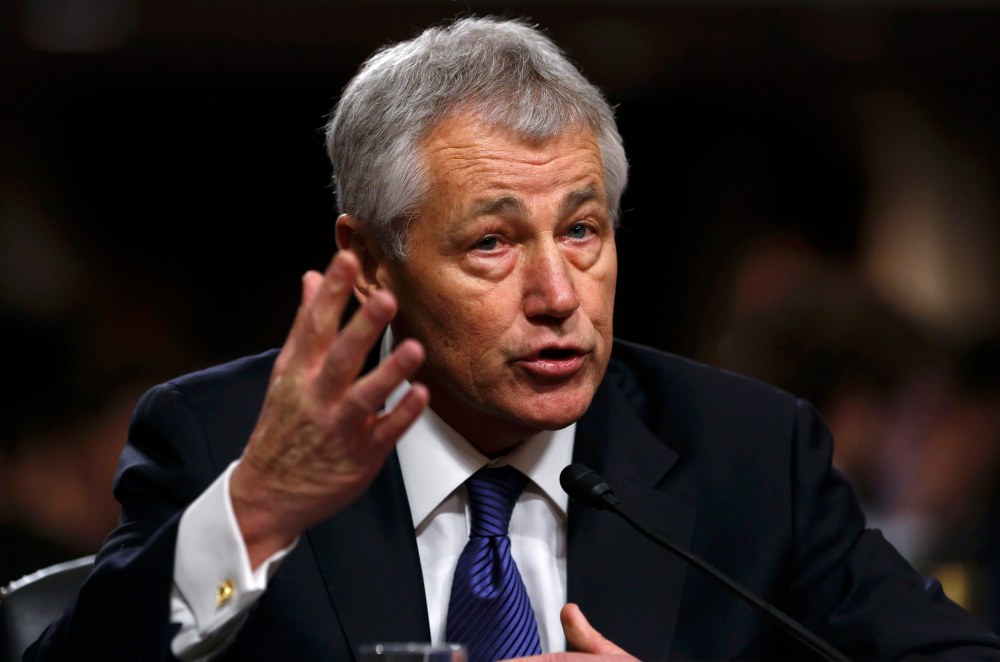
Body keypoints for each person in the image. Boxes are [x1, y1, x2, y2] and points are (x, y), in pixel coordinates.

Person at [28, 16, 1000, 661]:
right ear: (369, 262)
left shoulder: (746, 452)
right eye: (491, 242)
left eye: (581, 230)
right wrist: (257, 508)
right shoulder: (222, 440)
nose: (556, 294)